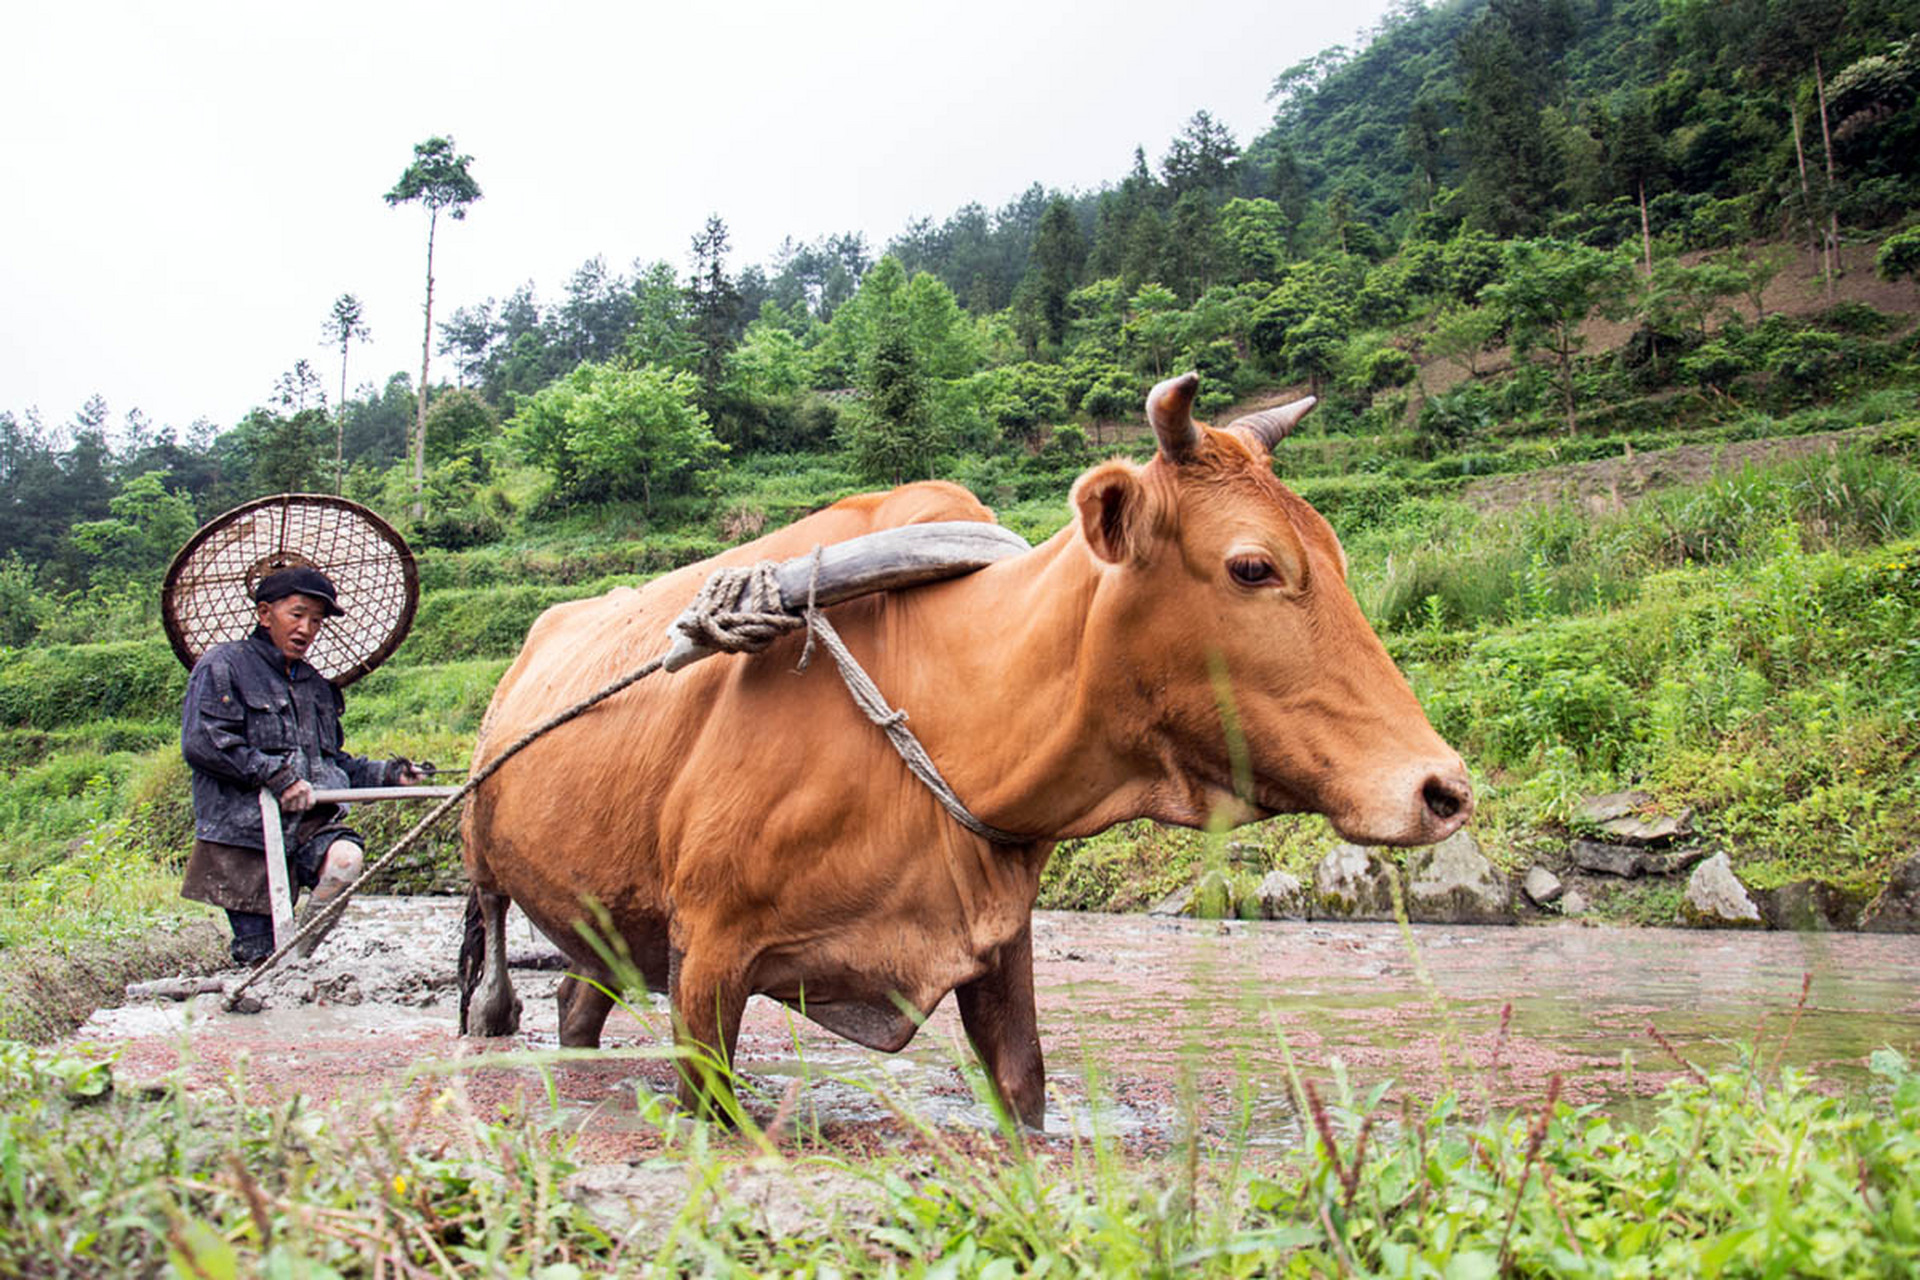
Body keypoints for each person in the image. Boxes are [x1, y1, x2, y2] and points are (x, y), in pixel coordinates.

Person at [180, 567, 421, 964]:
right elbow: (204, 743)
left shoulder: (315, 686)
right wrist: (277, 777)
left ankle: (297, 958)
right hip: (245, 835)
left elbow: (333, 762)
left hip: (310, 826)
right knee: (258, 953)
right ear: (264, 614)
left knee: (346, 861)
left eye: (316, 620)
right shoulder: (222, 666)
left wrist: (390, 774)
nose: (307, 628)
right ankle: (271, 972)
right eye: (297, 614)